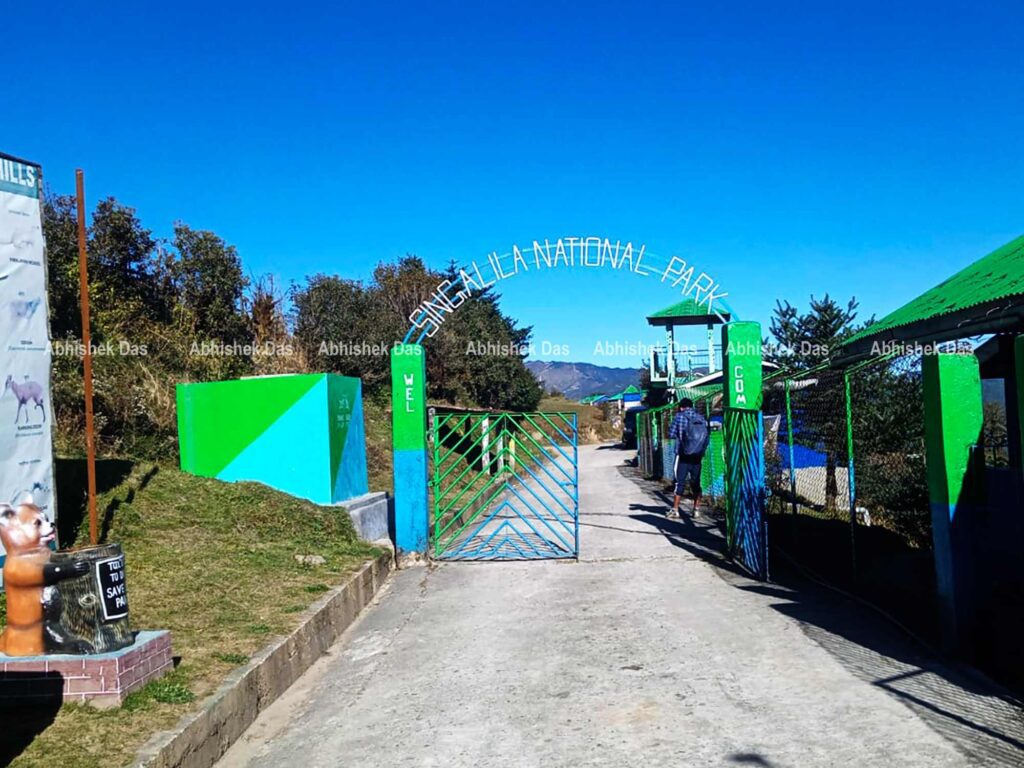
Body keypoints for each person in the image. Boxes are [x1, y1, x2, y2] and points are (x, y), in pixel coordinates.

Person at [667, 398, 709, 518]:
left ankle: (675, 509)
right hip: (697, 456)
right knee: (696, 482)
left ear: (681, 407)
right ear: (691, 406)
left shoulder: (679, 417)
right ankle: (696, 509)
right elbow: (706, 437)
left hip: (683, 455)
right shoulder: (701, 418)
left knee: (679, 482)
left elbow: (670, 434)